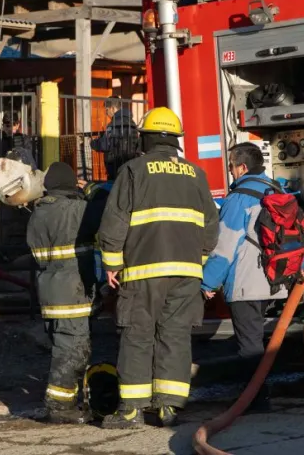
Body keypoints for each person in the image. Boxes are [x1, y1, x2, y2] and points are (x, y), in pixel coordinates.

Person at [97, 107, 219, 429]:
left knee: (137, 335)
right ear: (175, 140)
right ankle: (169, 408)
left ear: (146, 139)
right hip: (187, 275)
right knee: (175, 336)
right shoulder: (196, 174)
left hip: (143, 272)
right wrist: (198, 262)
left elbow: (115, 221)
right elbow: (211, 226)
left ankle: (131, 410)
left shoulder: (133, 170)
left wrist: (111, 263)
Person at [201, 142, 284, 412]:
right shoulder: (277, 190)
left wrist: (208, 282)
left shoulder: (238, 198)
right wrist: (303, 266)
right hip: (273, 280)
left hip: (246, 282)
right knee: (256, 338)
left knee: (249, 345)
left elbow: (225, 247)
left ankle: (256, 400)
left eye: (231, 166)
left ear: (243, 167)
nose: (230, 171)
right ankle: (258, 395)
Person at [26, 162, 101, 424]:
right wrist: (92, 189)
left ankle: (68, 401)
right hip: (73, 293)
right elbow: (106, 213)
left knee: (63, 347)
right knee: (72, 350)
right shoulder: (76, 210)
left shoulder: (38, 213)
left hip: (49, 293)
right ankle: (59, 406)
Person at [90, 100, 139, 176]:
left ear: (112, 108)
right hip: (131, 165)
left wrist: (93, 143)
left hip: (116, 166)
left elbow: (105, 145)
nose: (106, 113)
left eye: (107, 110)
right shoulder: (132, 122)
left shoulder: (114, 124)